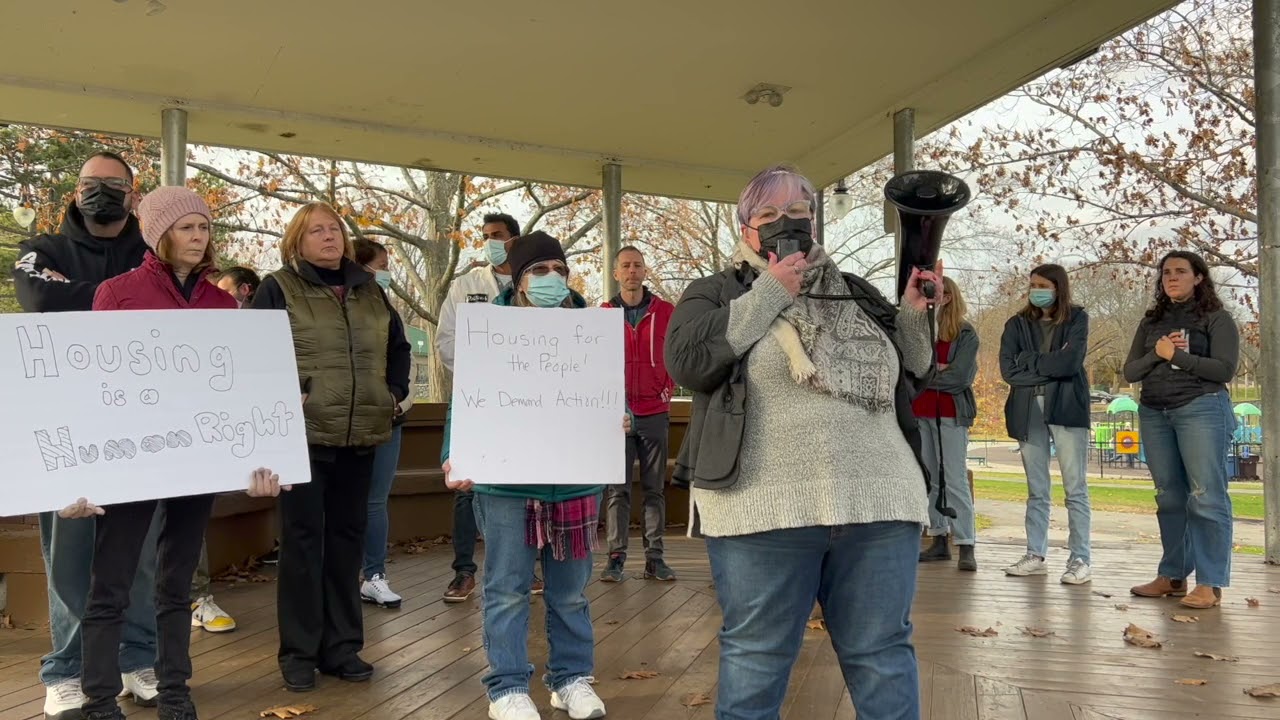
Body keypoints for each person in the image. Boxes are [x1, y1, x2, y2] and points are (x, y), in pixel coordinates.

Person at [665, 164, 937, 720]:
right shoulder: (715, 292)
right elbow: (689, 364)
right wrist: (769, 293)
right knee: (757, 661)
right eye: (768, 213)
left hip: (879, 503)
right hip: (763, 511)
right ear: (745, 230)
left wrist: (911, 314)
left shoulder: (855, 291)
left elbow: (911, 372)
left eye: (798, 212)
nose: (786, 222)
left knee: (883, 656)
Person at [63, 186, 287, 720]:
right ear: (159, 233)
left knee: (176, 580)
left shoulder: (223, 303)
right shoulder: (117, 293)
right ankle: (97, 699)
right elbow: (97, 383)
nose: (198, 237)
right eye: (186, 227)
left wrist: (261, 457)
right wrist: (87, 466)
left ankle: (176, 691)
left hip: (198, 459)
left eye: (205, 227)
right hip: (133, 458)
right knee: (111, 582)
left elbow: (241, 390)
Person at [442, 231, 620, 720]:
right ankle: (506, 686)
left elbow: (608, 393)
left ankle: (571, 679)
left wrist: (618, 415)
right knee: (505, 589)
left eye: (559, 270)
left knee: (569, 592)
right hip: (506, 487)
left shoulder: (591, 331)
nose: (551, 280)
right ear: (519, 281)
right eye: (539, 271)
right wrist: (453, 456)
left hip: (576, 483)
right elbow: (466, 399)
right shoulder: (489, 331)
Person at [11, 151, 158, 720]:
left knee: (141, 552)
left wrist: (85, 295)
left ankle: (137, 658)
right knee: (69, 553)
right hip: (67, 423)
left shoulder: (151, 250)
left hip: (142, 424)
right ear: (75, 191)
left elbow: (171, 308)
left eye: (112, 185)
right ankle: (65, 672)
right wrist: (121, 298)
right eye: (89, 184)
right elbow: (39, 298)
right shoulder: (43, 251)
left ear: (132, 192)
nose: (100, 193)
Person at [252, 202, 411, 691]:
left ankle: (342, 648)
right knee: (302, 544)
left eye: (335, 230)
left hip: (361, 434)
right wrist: (285, 393)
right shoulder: (277, 287)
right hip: (302, 437)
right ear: (296, 241)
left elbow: (398, 349)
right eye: (316, 230)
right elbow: (253, 355)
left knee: (346, 542)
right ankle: (299, 653)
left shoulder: (369, 291)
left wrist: (393, 394)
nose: (329, 237)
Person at [435, 212, 543, 601]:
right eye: (485, 236)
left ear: (514, 240)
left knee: (525, 484)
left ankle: (528, 568)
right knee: (466, 488)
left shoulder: (536, 286)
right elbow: (446, 340)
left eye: (497, 235)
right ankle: (464, 571)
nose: (490, 241)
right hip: (478, 401)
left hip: (525, 407)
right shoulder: (466, 286)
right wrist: (482, 367)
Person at [1124, 251, 1239, 609]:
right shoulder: (1150, 322)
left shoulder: (1217, 319)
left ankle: (1210, 583)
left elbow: (1224, 370)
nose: (1172, 277)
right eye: (1166, 272)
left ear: (1199, 277)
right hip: (1155, 412)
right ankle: (1173, 575)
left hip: (1201, 409)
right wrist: (1159, 354)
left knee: (1206, 495)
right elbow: (1130, 372)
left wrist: (1178, 357)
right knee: (1169, 496)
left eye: (1181, 271)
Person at [998, 264, 1093, 584]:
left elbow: (1071, 363)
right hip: (1026, 410)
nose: (1035, 290)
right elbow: (1008, 371)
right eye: (1032, 284)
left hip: (1066, 408)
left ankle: (1080, 557)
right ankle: (1035, 553)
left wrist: (1029, 360)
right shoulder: (1016, 324)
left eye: (1042, 284)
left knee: (1075, 488)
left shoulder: (1077, 319)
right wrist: (1051, 366)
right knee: (1037, 489)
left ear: (1058, 288)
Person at [600, 245, 677, 583]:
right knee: (616, 490)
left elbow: (677, 355)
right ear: (616, 273)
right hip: (616, 416)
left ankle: (654, 558)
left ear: (645, 272)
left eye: (638, 266)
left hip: (654, 411)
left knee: (654, 489)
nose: (632, 271)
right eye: (625, 266)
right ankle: (616, 558)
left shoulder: (667, 312)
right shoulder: (601, 315)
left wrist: (667, 390)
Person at [354, 237, 415, 609]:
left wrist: (396, 398)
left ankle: (374, 575)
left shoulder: (389, 309)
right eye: (381, 265)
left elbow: (402, 356)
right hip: (343, 421)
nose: (386, 273)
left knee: (376, 501)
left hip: (388, 419)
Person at [915, 276, 981, 571]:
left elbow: (960, 378)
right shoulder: (919, 331)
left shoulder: (965, 334)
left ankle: (965, 542)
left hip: (951, 413)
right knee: (930, 477)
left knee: (954, 478)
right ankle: (938, 536)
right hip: (921, 412)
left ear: (949, 296)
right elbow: (911, 369)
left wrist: (929, 374)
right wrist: (935, 370)